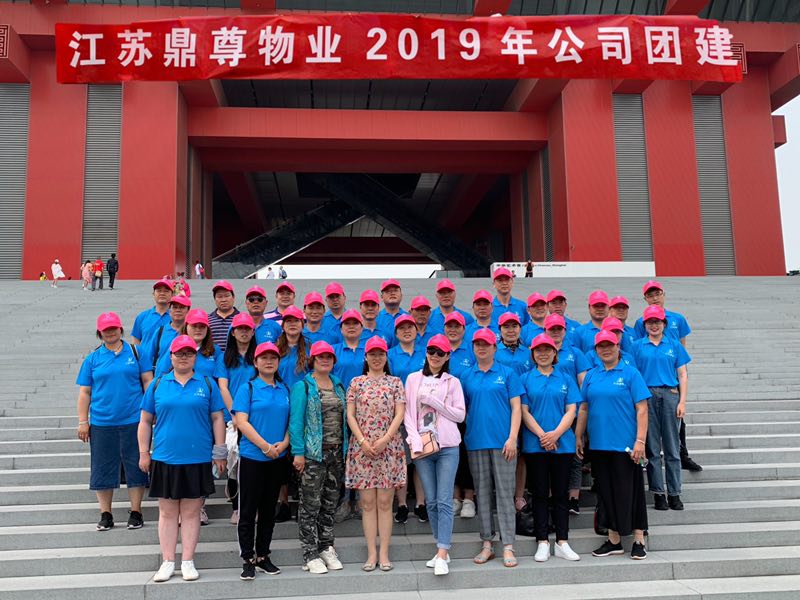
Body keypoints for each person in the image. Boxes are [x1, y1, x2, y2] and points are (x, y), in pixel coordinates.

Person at [138, 334, 228, 582]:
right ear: (171, 356)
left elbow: (217, 418)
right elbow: (145, 420)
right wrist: (144, 452)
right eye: (179, 353)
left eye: (189, 353)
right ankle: (168, 561)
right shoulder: (158, 384)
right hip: (165, 457)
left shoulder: (207, 383)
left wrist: (220, 450)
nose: (184, 357)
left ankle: (187, 560)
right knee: (167, 512)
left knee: (191, 512)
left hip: (197, 457)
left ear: (195, 357)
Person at [576, 330, 650, 561]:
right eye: (601, 346)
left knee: (632, 492)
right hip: (599, 445)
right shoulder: (591, 375)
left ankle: (639, 539)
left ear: (618, 347)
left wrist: (640, 440)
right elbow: (584, 408)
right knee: (606, 493)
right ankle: (614, 540)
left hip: (626, 446)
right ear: (596, 350)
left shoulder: (630, 373)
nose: (606, 349)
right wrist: (578, 436)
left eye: (610, 345)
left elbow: (642, 408)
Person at [76, 312, 152, 531]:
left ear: (120, 329)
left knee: (136, 466)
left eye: (113, 328)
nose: (110, 332)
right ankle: (106, 513)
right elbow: (85, 392)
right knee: (102, 468)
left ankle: (136, 511)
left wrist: (150, 411)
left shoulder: (137, 352)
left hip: (134, 419)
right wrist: (83, 421)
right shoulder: (93, 359)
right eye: (105, 330)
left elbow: (148, 381)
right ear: (100, 333)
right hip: (102, 422)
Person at [404, 334, 466, 576]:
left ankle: (442, 552)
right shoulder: (413, 379)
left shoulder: (453, 382)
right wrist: (414, 440)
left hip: (448, 446)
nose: (435, 356)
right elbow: (408, 414)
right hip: (422, 447)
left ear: (447, 356)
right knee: (430, 500)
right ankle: (441, 546)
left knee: (444, 499)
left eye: (441, 352)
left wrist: (433, 401)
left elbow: (459, 415)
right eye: (432, 351)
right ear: (426, 353)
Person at [462, 328, 523, 568]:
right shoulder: (467, 376)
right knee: (483, 493)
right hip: (476, 442)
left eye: (486, 344)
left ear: (494, 348)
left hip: (503, 443)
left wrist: (512, 437)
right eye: (477, 344)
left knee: (505, 494)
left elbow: (516, 407)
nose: (481, 348)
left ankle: (508, 544)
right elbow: (462, 409)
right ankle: (487, 543)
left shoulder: (507, 373)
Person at [345, 336, 407, 572]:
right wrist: (362, 440)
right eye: (373, 354)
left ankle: (384, 553)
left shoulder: (395, 383)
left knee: (385, 502)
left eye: (381, 354)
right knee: (368, 504)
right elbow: (350, 415)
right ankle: (371, 553)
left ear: (386, 356)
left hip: (388, 448)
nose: (377, 358)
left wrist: (385, 439)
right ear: (366, 356)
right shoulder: (356, 382)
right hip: (362, 448)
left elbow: (399, 413)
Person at [289, 341, 348, 574]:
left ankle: (326, 546)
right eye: (320, 356)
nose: (325, 360)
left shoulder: (339, 385)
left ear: (334, 360)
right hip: (313, 454)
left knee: (330, 503)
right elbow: (296, 422)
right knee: (310, 505)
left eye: (329, 357)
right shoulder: (303, 386)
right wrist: (298, 452)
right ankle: (309, 553)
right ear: (312, 360)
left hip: (336, 452)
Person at [520, 334, 581, 562]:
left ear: (555, 353)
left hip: (562, 444)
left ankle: (562, 541)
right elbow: (524, 411)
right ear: (533, 354)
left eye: (547, 349)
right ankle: (542, 541)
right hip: (535, 445)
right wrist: (543, 435)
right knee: (539, 493)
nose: (543, 353)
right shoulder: (526, 378)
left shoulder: (565, 378)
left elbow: (571, 410)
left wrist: (555, 434)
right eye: (538, 350)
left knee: (560, 493)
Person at [233, 341, 291, 580]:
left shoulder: (284, 389)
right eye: (264, 358)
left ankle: (263, 555)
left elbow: (290, 422)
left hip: (277, 458)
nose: (269, 361)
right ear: (255, 363)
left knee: (268, 510)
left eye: (273, 358)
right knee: (248, 510)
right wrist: (265, 446)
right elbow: (241, 422)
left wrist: (284, 444)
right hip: (253, 457)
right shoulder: (247, 388)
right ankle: (247, 557)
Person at [634, 280, 701, 473]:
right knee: (650, 422)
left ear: (663, 294)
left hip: (671, 377)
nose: (654, 298)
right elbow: (641, 347)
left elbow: (682, 346)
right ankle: (649, 457)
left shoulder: (677, 319)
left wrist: (680, 376)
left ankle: (682, 454)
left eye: (657, 294)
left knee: (678, 420)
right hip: (651, 378)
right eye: (650, 295)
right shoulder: (641, 322)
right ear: (645, 298)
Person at [631, 305, 691, 511]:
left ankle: (674, 493)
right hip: (647, 395)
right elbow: (634, 375)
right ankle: (658, 493)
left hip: (670, 394)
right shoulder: (637, 346)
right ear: (645, 325)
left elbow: (682, 374)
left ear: (664, 324)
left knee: (673, 448)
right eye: (650, 322)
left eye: (657, 322)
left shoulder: (674, 345)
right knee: (653, 448)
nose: (654, 325)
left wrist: (682, 401)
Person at [544, 313, 591, 515]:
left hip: (573, 412)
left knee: (575, 455)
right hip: (549, 411)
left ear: (565, 330)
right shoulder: (540, 351)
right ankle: (551, 496)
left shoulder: (575, 352)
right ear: (545, 330)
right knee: (549, 456)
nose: (555, 332)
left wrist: (583, 407)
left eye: (559, 329)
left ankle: (573, 498)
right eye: (552, 329)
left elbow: (583, 381)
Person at [216, 312, 258, 525]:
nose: (243, 332)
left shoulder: (259, 355)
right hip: (231, 419)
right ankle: (236, 507)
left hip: (255, 418)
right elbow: (223, 386)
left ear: (253, 331)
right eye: (239, 329)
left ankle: (251, 506)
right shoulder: (225, 358)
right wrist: (235, 413)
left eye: (247, 329)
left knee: (251, 465)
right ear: (233, 332)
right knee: (233, 465)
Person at [387, 314, 427, 524]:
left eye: (410, 327)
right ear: (396, 333)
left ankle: (421, 503)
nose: (406, 331)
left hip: (422, 414)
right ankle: (402, 504)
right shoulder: (390, 355)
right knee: (401, 460)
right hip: (399, 414)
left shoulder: (425, 353)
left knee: (421, 459)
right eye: (402, 328)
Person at [442, 312, 476, 519]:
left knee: (467, 456)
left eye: (457, 326)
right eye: (449, 326)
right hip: (445, 414)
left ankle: (469, 498)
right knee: (451, 456)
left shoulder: (470, 351)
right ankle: (455, 497)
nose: (453, 330)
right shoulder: (440, 351)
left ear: (464, 329)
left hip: (467, 411)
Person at [153, 309, 222, 379]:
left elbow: (221, 376)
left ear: (207, 329)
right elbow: (161, 373)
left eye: (202, 326)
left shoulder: (215, 350)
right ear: (186, 326)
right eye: (194, 326)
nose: (198, 329)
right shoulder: (175, 347)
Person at [142, 295, 191, 373]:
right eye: (174, 307)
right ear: (169, 310)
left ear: (188, 311)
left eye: (182, 307)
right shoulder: (160, 331)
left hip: (186, 376)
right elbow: (147, 358)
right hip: (161, 377)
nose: (178, 310)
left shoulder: (192, 332)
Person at [276, 305, 311, 390]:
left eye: (296, 320)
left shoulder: (310, 348)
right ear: (283, 325)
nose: (292, 324)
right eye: (288, 321)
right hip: (281, 394)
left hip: (302, 395)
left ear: (302, 325)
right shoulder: (275, 349)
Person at [131, 279, 174, 346]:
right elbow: (136, 342)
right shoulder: (142, 317)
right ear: (153, 294)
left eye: (166, 291)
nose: (162, 293)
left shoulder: (177, 318)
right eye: (159, 291)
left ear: (172, 295)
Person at [333, 309, 366, 389]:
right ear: (341, 329)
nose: (351, 326)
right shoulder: (332, 350)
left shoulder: (369, 350)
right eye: (347, 323)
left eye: (355, 323)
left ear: (362, 328)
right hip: (340, 395)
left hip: (365, 395)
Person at [208, 280, 239, 350]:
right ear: (214, 299)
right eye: (219, 296)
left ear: (233, 297)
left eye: (227, 296)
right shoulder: (207, 320)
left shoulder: (242, 319)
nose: (223, 300)